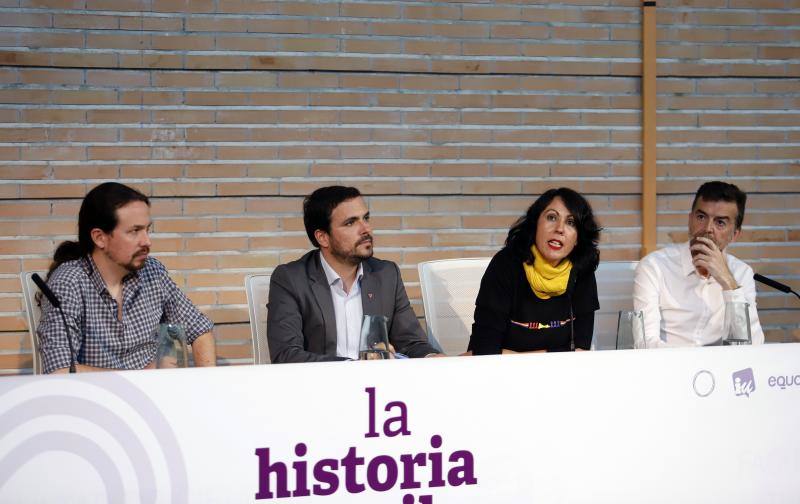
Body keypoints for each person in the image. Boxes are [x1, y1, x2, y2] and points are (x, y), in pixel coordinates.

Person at [37, 182, 216, 373]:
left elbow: (200, 331)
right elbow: (61, 371)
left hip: (156, 393)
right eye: (134, 231)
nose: (147, 241)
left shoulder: (152, 271)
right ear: (100, 238)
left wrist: (206, 384)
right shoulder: (68, 283)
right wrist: (137, 379)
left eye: (147, 229)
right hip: (100, 397)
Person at [267, 186, 443, 363]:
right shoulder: (291, 279)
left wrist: (433, 357)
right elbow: (286, 355)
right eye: (350, 223)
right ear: (323, 237)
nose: (365, 229)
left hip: (377, 386)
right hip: (320, 387)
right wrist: (354, 367)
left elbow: (411, 342)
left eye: (365, 218)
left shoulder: (387, 275)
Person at [469, 188, 601, 354]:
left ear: (577, 238)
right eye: (551, 217)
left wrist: (517, 355)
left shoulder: (582, 268)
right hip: (501, 374)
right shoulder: (506, 264)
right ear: (535, 224)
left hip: (560, 375)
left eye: (571, 222)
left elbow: (581, 349)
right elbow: (484, 350)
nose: (560, 228)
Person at [633, 181, 764, 347]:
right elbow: (644, 343)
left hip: (721, 370)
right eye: (701, 217)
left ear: (735, 234)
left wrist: (728, 284)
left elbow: (752, 347)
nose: (707, 228)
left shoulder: (741, 273)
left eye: (720, 223)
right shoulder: (654, 267)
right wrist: (694, 364)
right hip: (669, 369)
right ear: (690, 220)